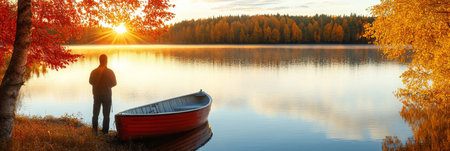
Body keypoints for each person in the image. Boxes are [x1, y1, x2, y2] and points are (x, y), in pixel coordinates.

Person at [89, 54, 116, 134]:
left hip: (97, 95)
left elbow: (90, 82)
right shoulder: (110, 72)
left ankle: (94, 131)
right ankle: (105, 131)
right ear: (106, 61)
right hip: (106, 95)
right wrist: (108, 86)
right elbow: (114, 83)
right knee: (106, 115)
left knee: (95, 114)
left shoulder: (94, 71)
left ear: (99, 61)